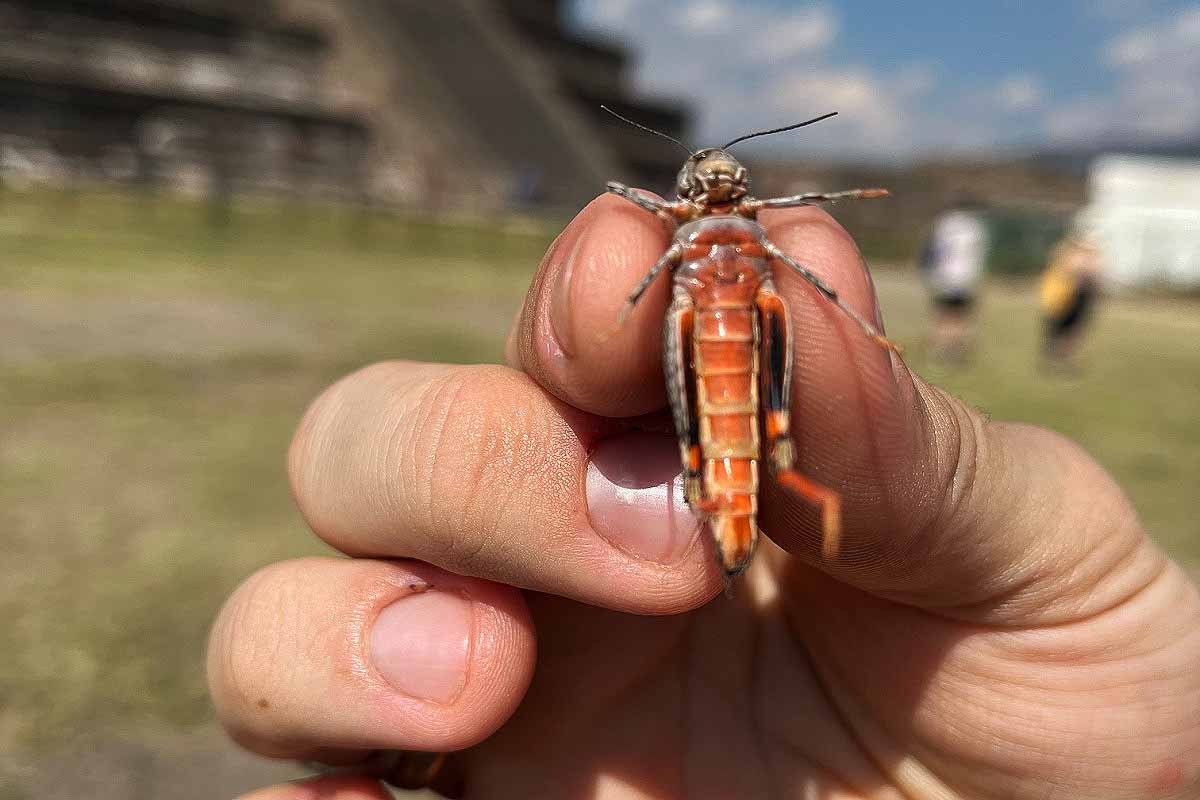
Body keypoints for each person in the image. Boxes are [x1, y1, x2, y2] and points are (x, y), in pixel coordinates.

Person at [209, 198, 1200, 800]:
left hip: (751, 373)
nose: (722, 196)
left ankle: (741, 502)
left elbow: (802, 283)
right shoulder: (672, 246)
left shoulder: (772, 255)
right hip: (701, 365)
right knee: (691, 410)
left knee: (758, 392)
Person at [919, 195, 990, 365]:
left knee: (942, 314)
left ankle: (939, 349)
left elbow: (933, 249)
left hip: (943, 275)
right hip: (965, 277)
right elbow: (978, 254)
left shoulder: (944, 223)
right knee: (960, 316)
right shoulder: (975, 226)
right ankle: (955, 351)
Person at [1041, 213, 1103, 372]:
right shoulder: (1066, 250)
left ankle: (1067, 359)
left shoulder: (1092, 254)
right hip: (1063, 293)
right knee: (1057, 326)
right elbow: (1063, 269)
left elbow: (1095, 274)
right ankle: (1054, 357)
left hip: (1082, 294)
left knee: (1076, 328)